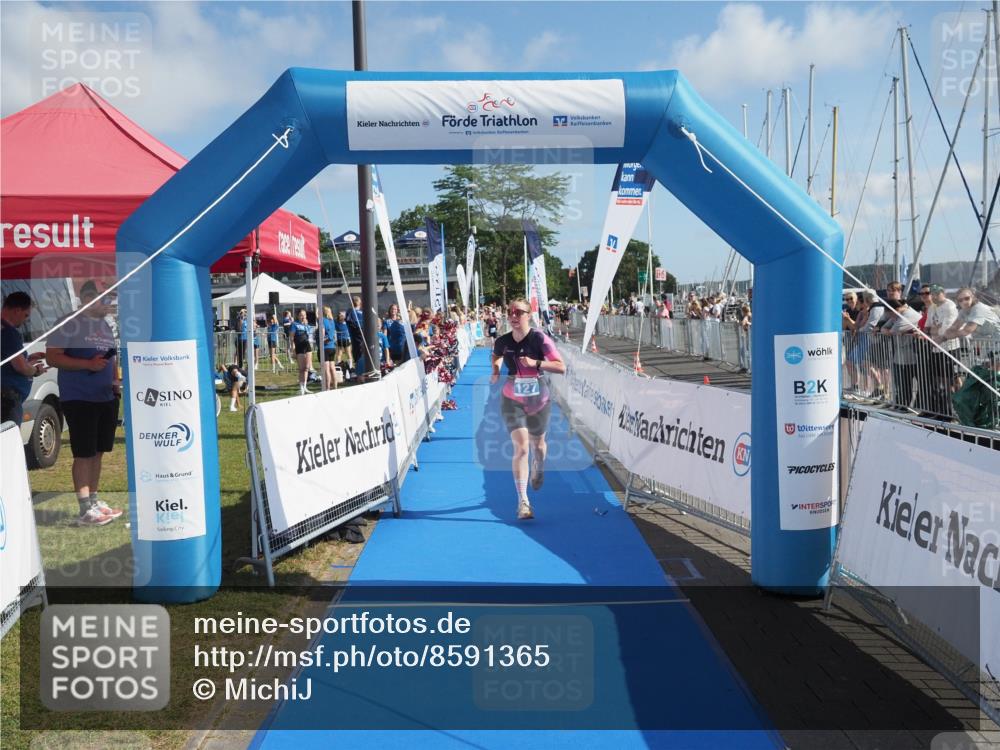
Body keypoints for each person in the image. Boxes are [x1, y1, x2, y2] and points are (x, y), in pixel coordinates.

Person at [45, 281, 123, 526]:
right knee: (84, 453)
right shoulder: (68, 322)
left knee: (98, 452)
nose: (109, 305)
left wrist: (114, 381)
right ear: (88, 298)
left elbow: (111, 358)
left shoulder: (105, 326)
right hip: (79, 397)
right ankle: (84, 509)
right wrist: (87, 365)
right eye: (106, 300)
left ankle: (94, 500)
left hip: (105, 397)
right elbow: (53, 356)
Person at [490, 298, 566, 521]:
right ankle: (523, 501)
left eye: (519, 312)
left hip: (538, 400)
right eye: (510, 311)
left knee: (538, 446)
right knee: (521, 448)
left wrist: (536, 364)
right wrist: (495, 369)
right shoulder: (503, 341)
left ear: (529, 314)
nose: (514, 316)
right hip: (511, 399)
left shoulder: (539, 338)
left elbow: (561, 367)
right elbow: (496, 355)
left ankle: (539, 466)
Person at [1, 292, 48, 425]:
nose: (26, 320)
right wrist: (36, 370)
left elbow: (9, 360)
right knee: (8, 442)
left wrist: (27, 358)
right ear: (17, 311)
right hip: (7, 402)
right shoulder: (8, 332)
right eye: (26, 315)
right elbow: (20, 366)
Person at [290, 308, 313, 395]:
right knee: (301, 368)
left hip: (307, 346)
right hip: (299, 347)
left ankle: (305, 386)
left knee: (307, 367)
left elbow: (309, 336)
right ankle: (301, 387)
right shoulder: (294, 324)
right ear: (298, 316)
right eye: (301, 315)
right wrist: (293, 349)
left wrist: (307, 325)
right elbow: (291, 338)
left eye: (304, 315)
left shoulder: (307, 325)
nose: (303, 316)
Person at [321, 307, 338, 390]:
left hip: (325, 347)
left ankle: (327, 388)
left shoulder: (323, 321)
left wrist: (321, 340)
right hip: (332, 347)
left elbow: (322, 334)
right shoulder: (332, 321)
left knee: (326, 369)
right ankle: (335, 386)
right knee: (332, 368)